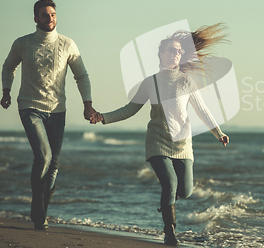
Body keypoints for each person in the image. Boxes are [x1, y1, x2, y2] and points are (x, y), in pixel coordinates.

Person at [91, 24, 229, 246]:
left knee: (185, 191)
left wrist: (218, 133)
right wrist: (102, 117)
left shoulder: (186, 81)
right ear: (161, 54)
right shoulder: (151, 82)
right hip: (157, 140)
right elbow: (129, 110)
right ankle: (170, 232)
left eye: (179, 51)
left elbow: (202, 110)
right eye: (172, 50)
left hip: (183, 142)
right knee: (170, 183)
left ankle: (166, 205)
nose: (176, 54)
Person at [0, 0, 97, 230]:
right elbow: (8, 66)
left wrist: (88, 104)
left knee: (54, 164)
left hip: (57, 111)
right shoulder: (22, 44)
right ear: (36, 18)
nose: (50, 19)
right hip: (30, 107)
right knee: (43, 156)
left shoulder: (67, 44)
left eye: (53, 14)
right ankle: (38, 205)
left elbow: (81, 76)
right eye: (45, 15)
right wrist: (6, 91)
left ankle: (42, 208)